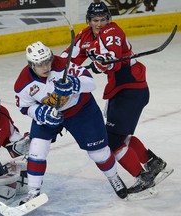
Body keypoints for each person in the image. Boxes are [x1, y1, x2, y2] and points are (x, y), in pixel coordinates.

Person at [61, 0, 170, 193]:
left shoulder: (113, 32)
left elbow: (113, 59)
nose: (100, 23)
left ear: (108, 19)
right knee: (121, 136)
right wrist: (57, 71)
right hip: (120, 90)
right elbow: (68, 59)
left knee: (112, 140)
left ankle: (143, 178)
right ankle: (153, 164)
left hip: (131, 90)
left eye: (103, 19)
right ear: (89, 20)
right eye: (95, 20)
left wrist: (103, 63)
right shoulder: (85, 35)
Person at [14, 41, 128, 204]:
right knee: (36, 150)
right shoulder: (23, 82)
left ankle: (114, 177)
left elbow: (91, 83)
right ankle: (33, 192)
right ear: (31, 64)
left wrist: (75, 84)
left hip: (81, 111)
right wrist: (40, 112)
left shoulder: (64, 66)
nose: (46, 67)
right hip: (49, 115)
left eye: (48, 61)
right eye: (40, 64)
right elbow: (25, 107)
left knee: (99, 153)